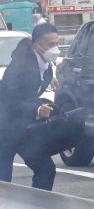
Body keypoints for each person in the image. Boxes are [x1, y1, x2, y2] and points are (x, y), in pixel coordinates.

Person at [0, 23, 62, 190]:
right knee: (3, 177)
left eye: (57, 43)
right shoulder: (21, 67)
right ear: (37, 46)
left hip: (23, 127)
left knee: (46, 169)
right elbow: (9, 100)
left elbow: (29, 93)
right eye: (50, 44)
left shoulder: (45, 65)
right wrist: (36, 109)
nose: (55, 48)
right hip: (4, 127)